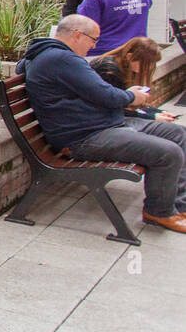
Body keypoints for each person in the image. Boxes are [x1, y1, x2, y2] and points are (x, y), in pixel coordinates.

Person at [18, 14, 186, 233]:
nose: (95, 45)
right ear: (78, 35)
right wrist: (131, 96)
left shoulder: (47, 55)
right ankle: (159, 212)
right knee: (169, 152)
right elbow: (107, 95)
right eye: (93, 39)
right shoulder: (62, 59)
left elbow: (25, 67)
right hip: (85, 138)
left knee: (179, 134)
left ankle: (178, 205)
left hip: (106, 125)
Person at [92, 37, 176, 122]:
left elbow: (132, 107)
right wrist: (153, 117)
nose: (149, 68)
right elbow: (115, 109)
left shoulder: (128, 67)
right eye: (147, 64)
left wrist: (158, 112)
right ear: (129, 57)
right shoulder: (108, 71)